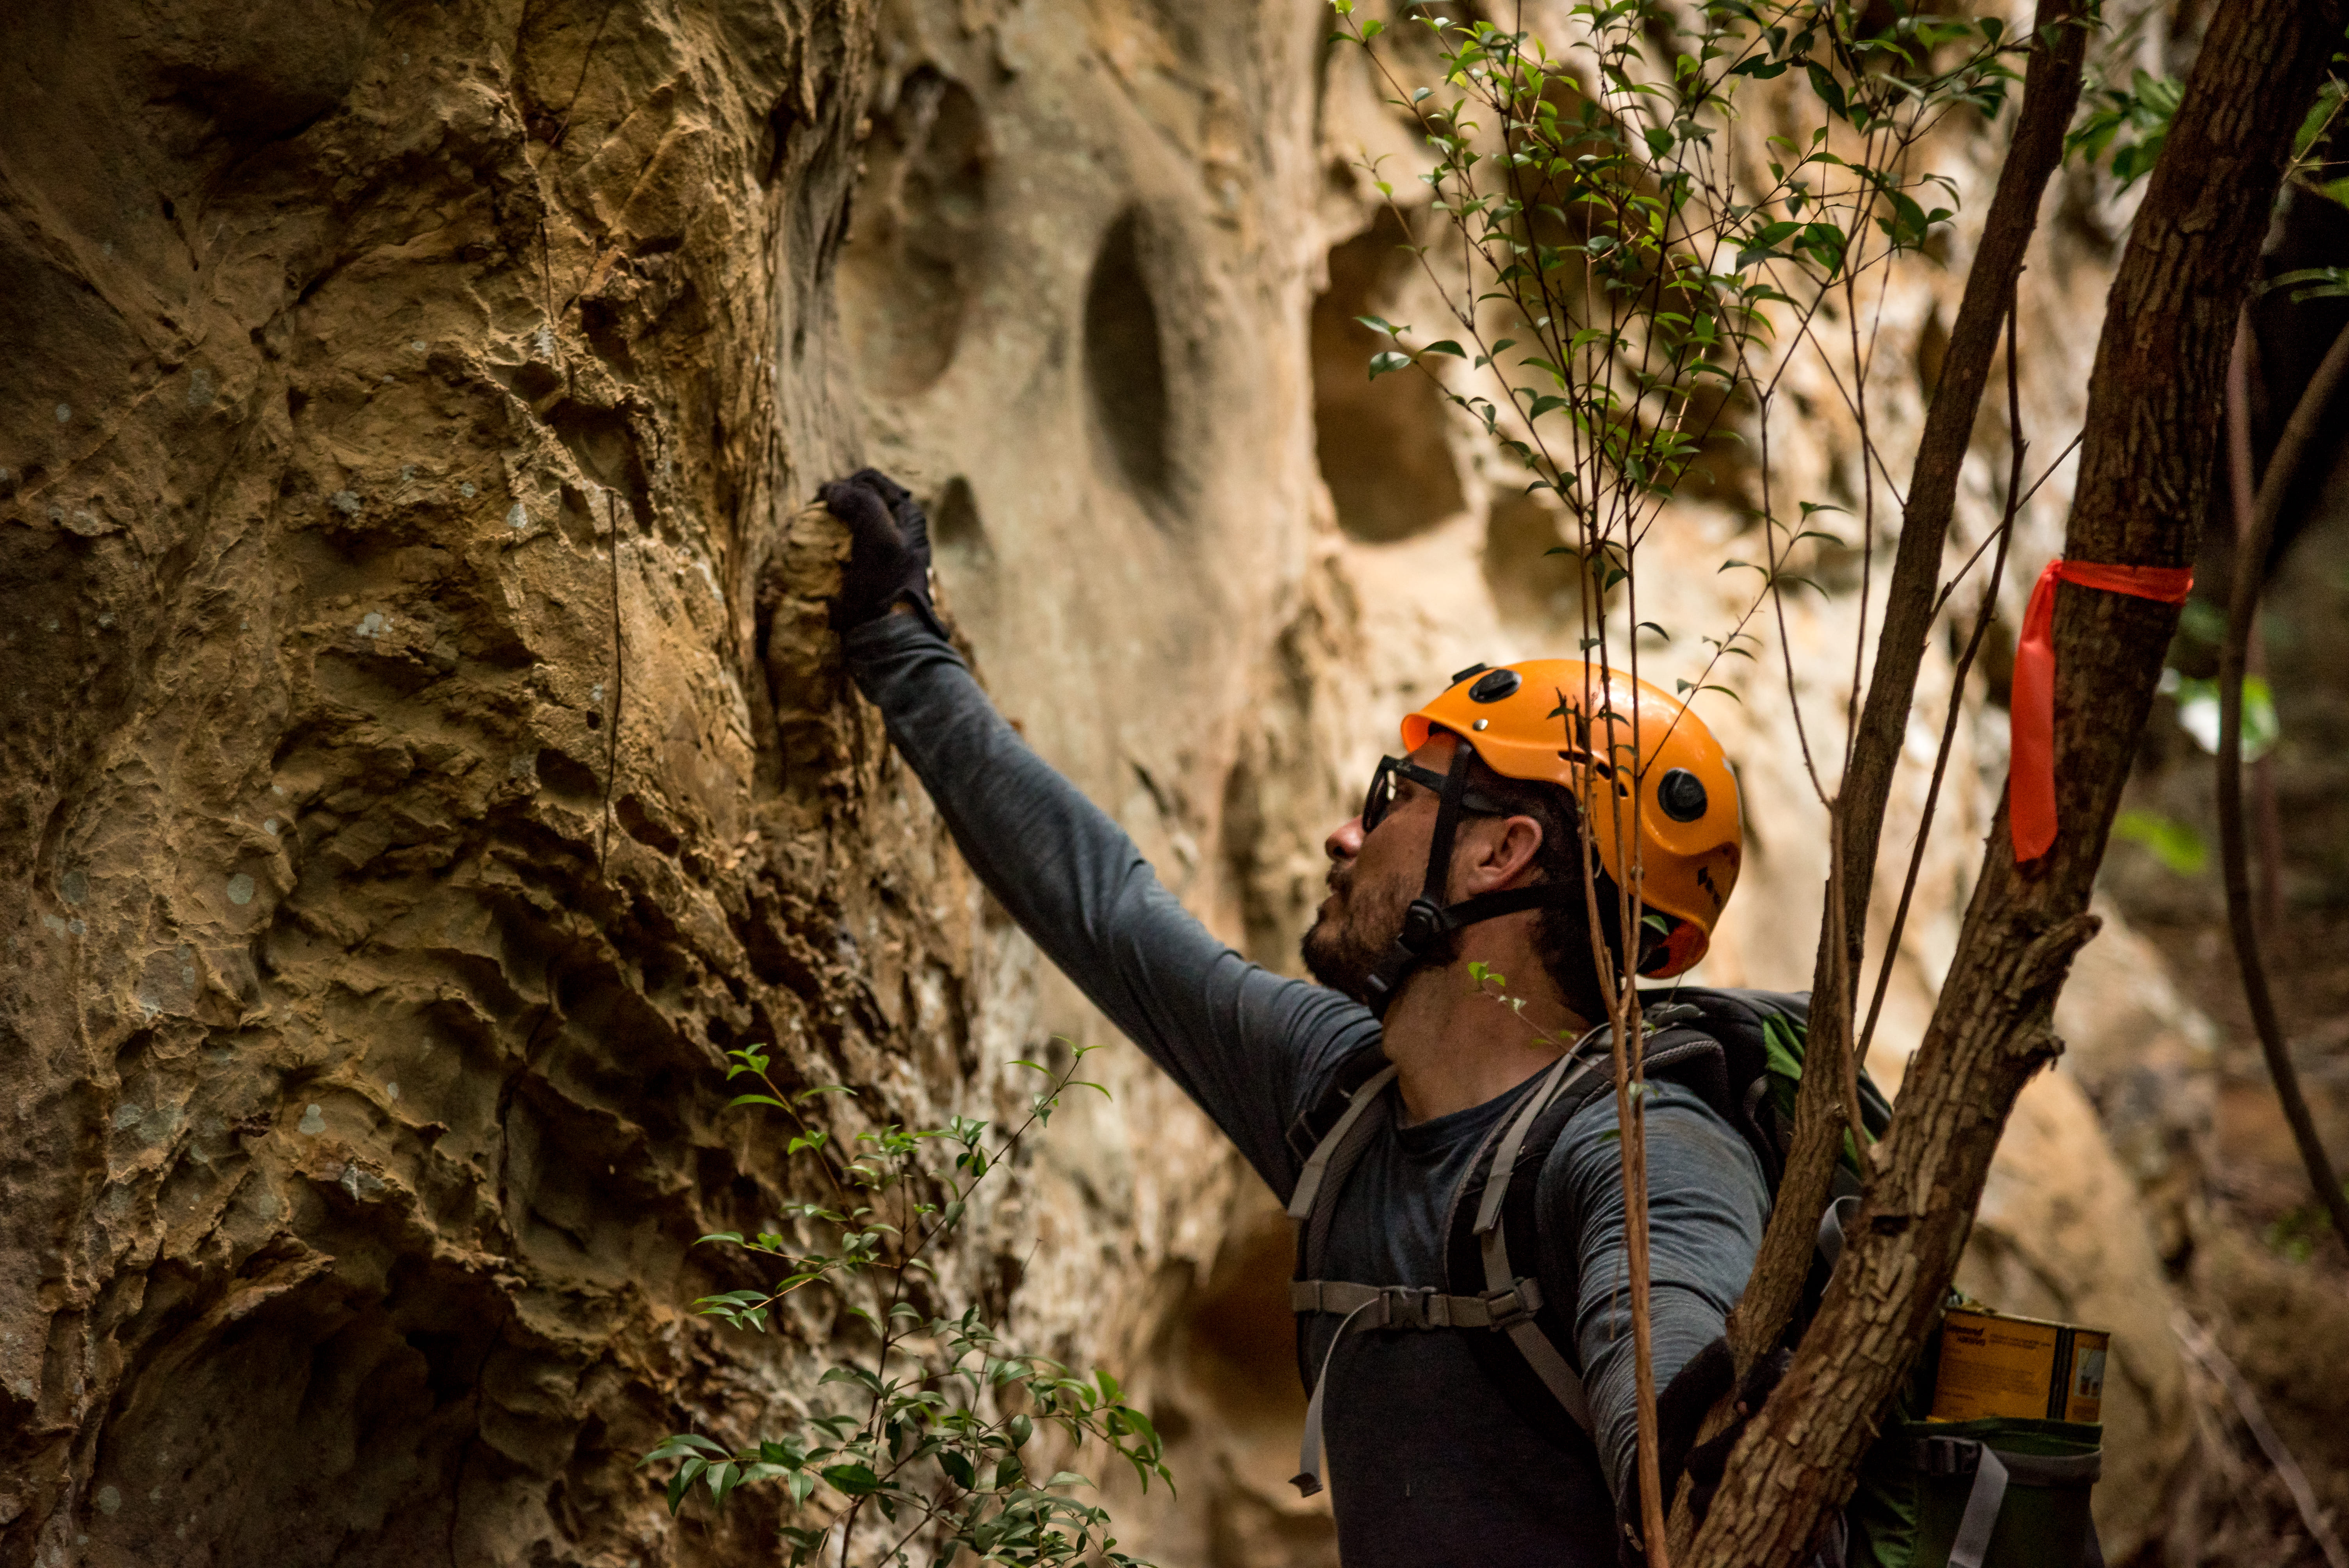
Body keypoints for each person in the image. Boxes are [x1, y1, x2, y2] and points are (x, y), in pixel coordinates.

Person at [822, 469, 1770, 1567]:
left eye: (1398, 797)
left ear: (1502, 851)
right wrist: (900, 644)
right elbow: (1108, 915)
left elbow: (1679, 1391)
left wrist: (1698, 1429)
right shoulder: (1344, 1100)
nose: (1344, 835)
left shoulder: (1648, 1150)